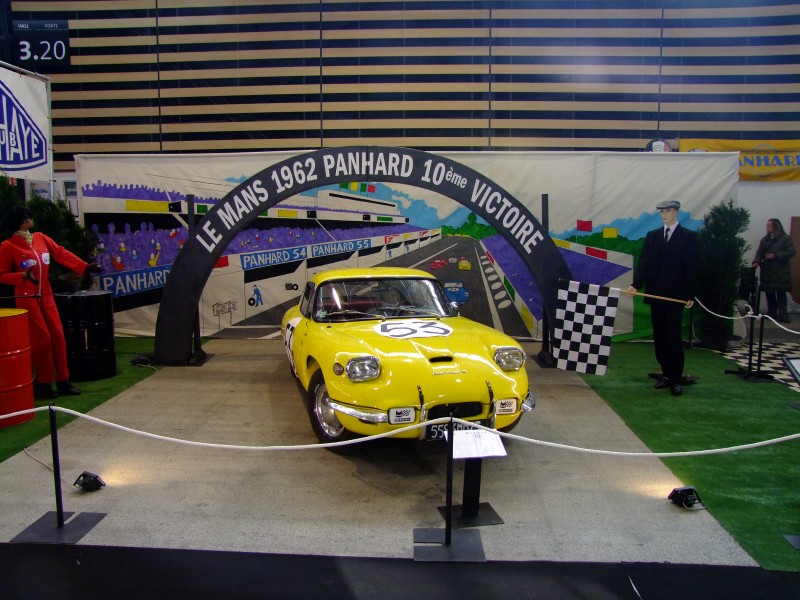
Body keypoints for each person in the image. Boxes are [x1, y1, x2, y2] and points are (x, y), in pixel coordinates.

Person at [0, 205, 102, 399]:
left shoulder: (40, 238)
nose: (31, 219)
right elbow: (2, 275)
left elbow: (60, 253)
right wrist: (22, 276)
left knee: (58, 335)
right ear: (20, 221)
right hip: (27, 297)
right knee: (42, 339)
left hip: (46, 294)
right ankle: (43, 382)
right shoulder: (7, 246)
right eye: (27, 217)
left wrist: (83, 267)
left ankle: (63, 379)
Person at [627, 199, 699, 397]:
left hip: (675, 297)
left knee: (673, 338)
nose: (664, 215)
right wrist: (635, 284)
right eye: (661, 212)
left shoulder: (689, 237)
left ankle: (676, 379)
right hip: (656, 294)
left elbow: (692, 267)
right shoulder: (653, 236)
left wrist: (690, 294)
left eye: (667, 211)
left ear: (675, 212)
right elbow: (644, 263)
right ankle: (666, 374)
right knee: (660, 338)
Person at [752, 218, 795, 323]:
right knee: (769, 293)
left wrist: (775, 255)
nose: (767, 227)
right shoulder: (765, 240)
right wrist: (756, 261)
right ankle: (771, 313)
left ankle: (783, 315)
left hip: (780, 271)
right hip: (767, 271)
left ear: (775, 226)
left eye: (769, 225)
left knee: (781, 293)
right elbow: (759, 252)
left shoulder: (785, 239)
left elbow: (791, 252)